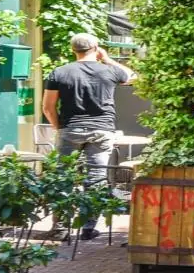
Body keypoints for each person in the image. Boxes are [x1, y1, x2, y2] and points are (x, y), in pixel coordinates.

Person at [43, 34, 136, 239]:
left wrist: (60, 128)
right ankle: (88, 228)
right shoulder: (109, 70)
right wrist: (108, 58)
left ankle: (60, 228)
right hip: (102, 131)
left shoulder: (59, 72)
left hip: (70, 129)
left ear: (73, 49)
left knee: (62, 177)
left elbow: (48, 108)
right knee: (96, 178)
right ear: (96, 48)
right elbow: (132, 76)